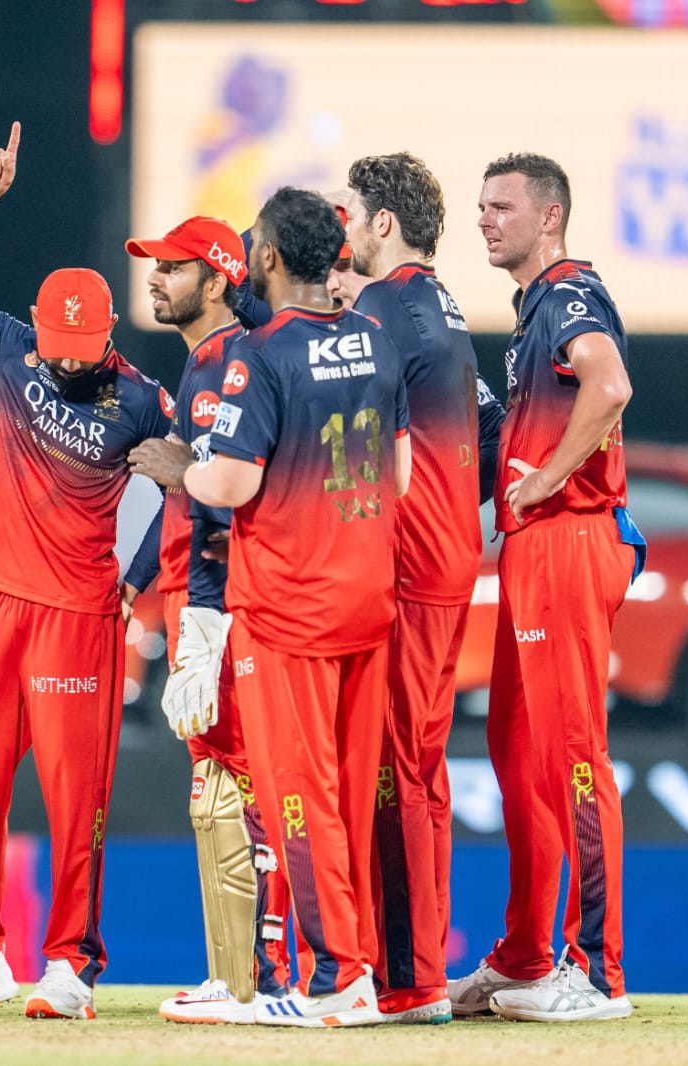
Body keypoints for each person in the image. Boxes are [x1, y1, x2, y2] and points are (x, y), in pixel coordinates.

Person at [0, 123, 172, 1022]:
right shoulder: (5, 347)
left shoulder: (142, 399)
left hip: (78, 618)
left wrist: (139, 574)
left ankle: (70, 964)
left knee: (73, 798)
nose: (63, 356)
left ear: (109, 333)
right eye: (54, 340)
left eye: (79, 345)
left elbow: (191, 489)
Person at [169, 187, 412, 1027]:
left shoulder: (260, 354)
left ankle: (335, 981)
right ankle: (358, 969)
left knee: (297, 800)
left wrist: (181, 468)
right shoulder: (376, 339)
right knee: (344, 795)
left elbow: (231, 483)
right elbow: (401, 476)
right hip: (367, 601)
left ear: (268, 256)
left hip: (288, 611)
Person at [447, 154, 638, 1023]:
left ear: (550, 216)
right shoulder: (536, 308)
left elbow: (611, 385)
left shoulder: (566, 295)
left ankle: (596, 973)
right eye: (481, 206)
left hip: (566, 541)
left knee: (571, 757)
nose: (484, 219)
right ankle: (526, 955)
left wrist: (550, 477)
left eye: (501, 206)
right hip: (535, 548)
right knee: (519, 754)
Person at [118, 216, 293, 1024]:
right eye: (154, 266)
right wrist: (139, 579)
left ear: (219, 281)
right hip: (203, 598)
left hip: (223, 605)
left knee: (241, 785)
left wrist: (206, 621)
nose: (155, 279)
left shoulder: (228, 363)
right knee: (220, 786)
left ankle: (266, 977)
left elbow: (231, 497)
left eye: (174, 267)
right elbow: (195, 499)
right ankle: (242, 977)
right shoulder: (206, 362)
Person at [339, 152, 496, 1025]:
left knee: (393, 767)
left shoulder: (380, 309)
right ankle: (418, 965)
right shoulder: (438, 306)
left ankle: (406, 981)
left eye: (350, 214)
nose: (343, 232)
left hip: (406, 568)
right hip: (443, 561)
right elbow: (490, 429)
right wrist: (449, 505)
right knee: (420, 768)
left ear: (384, 223)